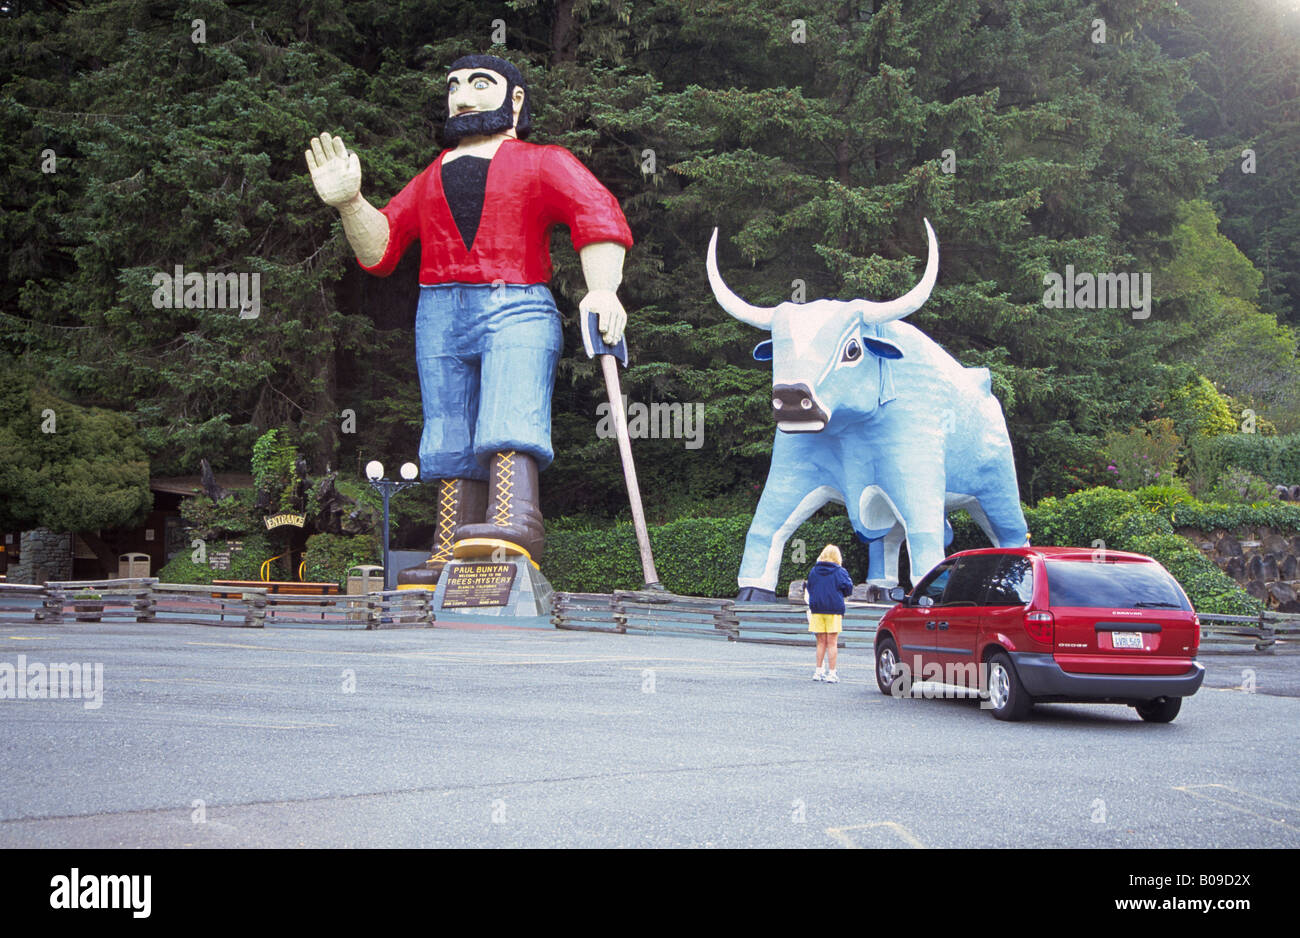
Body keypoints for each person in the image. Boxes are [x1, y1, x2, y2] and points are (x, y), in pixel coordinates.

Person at [305, 54, 633, 586]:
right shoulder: (432, 174)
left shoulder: (543, 161)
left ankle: (514, 518)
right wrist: (350, 204)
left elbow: (594, 212)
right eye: (453, 85)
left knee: (510, 403)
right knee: (447, 422)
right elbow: (381, 248)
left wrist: (602, 288)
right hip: (439, 307)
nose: (462, 95)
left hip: (517, 301)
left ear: (515, 99)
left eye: (480, 84)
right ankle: (450, 537)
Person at [806, 544, 853, 683]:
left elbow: (809, 587)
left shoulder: (814, 571)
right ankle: (832, 673)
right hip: (834, 609)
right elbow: (848, 588)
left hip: (817, 609)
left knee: (820, 642)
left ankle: (818, 671)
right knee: (832, 642)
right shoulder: (840, 571)